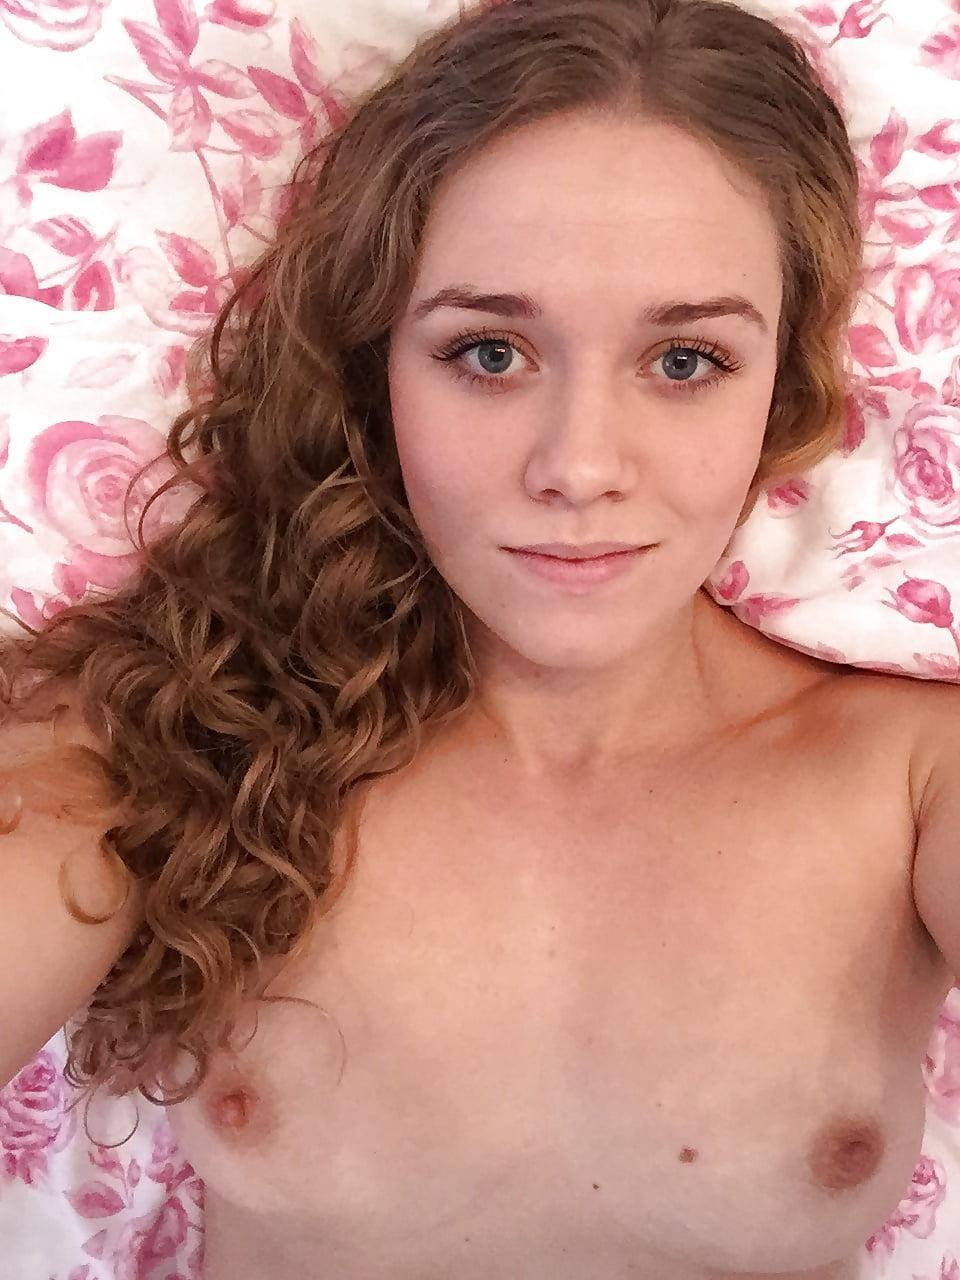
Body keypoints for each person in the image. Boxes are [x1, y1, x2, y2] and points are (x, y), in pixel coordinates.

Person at [1, 0, 957, 1276]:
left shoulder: (911, 774)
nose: (580, 465)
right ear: (375, 371)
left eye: (685, 360)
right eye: (490, 351)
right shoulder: (180, 721)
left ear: (781, 385)